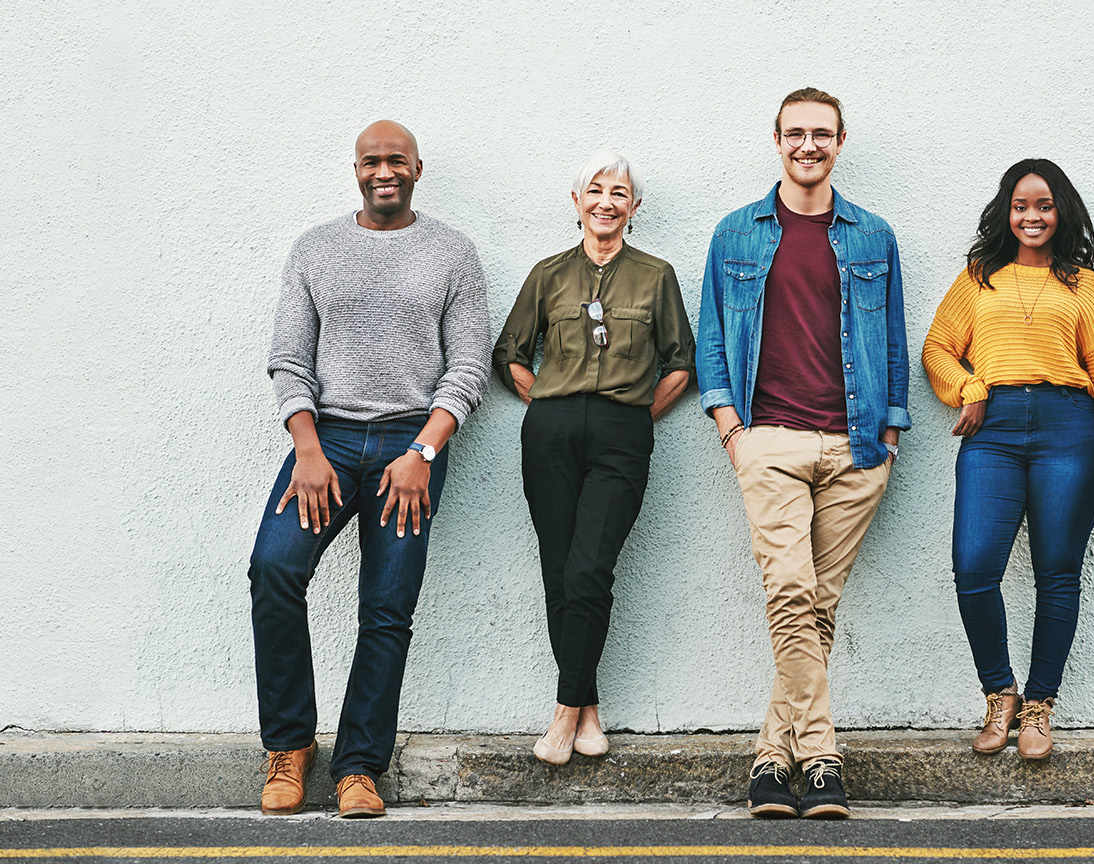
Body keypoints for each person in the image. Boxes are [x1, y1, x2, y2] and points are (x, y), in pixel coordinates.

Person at [249, 120, 491, 819]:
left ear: (417, 168)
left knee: (387, 609)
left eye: (395, 160)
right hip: (322, 443)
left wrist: (422, 452)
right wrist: (306, 447)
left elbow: (468, 368)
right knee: (274, 569)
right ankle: (289, 749)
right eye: (369, 161)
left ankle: (358, 766)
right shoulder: (315, 249)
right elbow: (289, 360)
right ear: (355, 170)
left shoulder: (451, 252)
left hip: (407, 448)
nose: (382, 171)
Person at [696, 87, 910, 819]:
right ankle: (820, 758)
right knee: (790, 592)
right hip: (770, 440)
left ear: (840, 142)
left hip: (854, 447)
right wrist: (732, 429)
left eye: (821, 133)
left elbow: (890, 343)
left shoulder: (872, 236)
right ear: (777, 140)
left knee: (815, 608)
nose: (807, 145)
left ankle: (769, 760)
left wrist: (887, 435)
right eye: (795, 133)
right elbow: (711, 345)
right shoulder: (736, 234)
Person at [922, 158, 1094, 761]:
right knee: (974, 566)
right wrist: (968, 388)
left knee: (1058, 571)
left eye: (1043, 205)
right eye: (1021, 205)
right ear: (1005, 211)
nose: (1032, 216)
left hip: (1070, 429)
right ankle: (1000, 694)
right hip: (994, 429)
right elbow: (937, 348)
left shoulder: (1085, 286)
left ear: (1060, 211)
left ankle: (1040, 707)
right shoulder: (978, 277)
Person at [491, 150, 694, 766]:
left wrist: (634, 416)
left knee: (589, 570)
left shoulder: (656, 276)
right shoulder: (547, 275)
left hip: (621, 433)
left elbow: (681, 362)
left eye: (620, 192)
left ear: (635, 208)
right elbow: (510, 354)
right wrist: (546, 400)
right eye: (595, 190)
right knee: (560, 570)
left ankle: (562, 712)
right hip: (550, 430)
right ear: (577, 202)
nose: (607, 201)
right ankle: (590, 709)